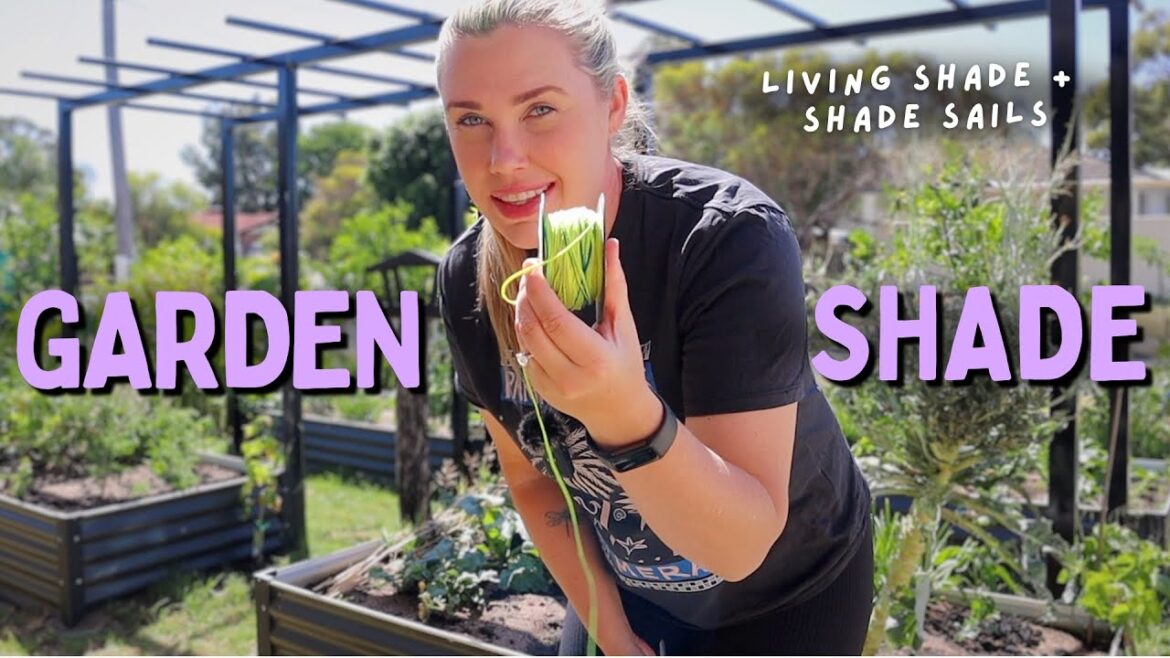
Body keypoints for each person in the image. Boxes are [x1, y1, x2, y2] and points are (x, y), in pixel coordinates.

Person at [434, 0, 873, 654]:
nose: (503, 158)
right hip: (629, 590)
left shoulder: (724, 238)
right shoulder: (467, 279)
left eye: (540, 109)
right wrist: (613, 634)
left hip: (789, 592)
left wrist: (622, 413)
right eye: (470, 118)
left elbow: (740, 544)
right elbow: (532, 481)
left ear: (613, 105)